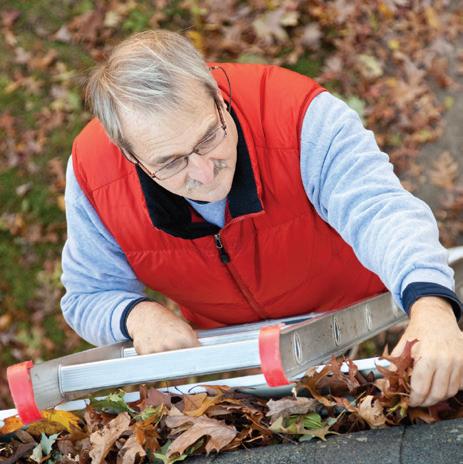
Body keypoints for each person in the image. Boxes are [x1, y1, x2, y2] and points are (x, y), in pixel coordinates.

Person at [61, 30, 463, 408]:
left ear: (218, 98)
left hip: (357, 300)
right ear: (129, 154)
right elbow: (87, 294)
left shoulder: (297, 114)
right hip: (237, 343)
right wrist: (135, 316)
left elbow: (379, 210)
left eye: (208, 138)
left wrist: (430, 305)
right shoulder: (93, 174)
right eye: (171, 162)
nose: (203, 172)